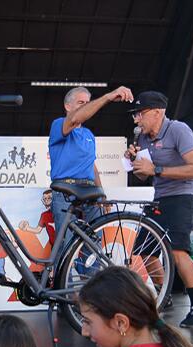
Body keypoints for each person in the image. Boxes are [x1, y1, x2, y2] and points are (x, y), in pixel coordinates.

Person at [128, 91, 193, 328]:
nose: (136, 119)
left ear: (157, 112)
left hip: (182, 195)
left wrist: (157, 170)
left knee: (177, 251)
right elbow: (144, 175)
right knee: (145, 250)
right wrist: (135, 164)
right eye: (135, 114)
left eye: (140, 114)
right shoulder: (142, 139)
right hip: (160, 197)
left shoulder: (178, 130)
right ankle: (166, 296)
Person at [49, 86, 133, 252]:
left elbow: (92, 166)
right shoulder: (59, 124)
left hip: (89, 191)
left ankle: (91, 278)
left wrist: (101, 192)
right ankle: (63, 279)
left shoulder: (88, 134)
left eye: (88, 103)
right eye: (81, 102)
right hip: (65, 190)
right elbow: (73, 120)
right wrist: (108, 97)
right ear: (68, 106)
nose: (86, 106)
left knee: (94, 243)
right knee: (65, 244)